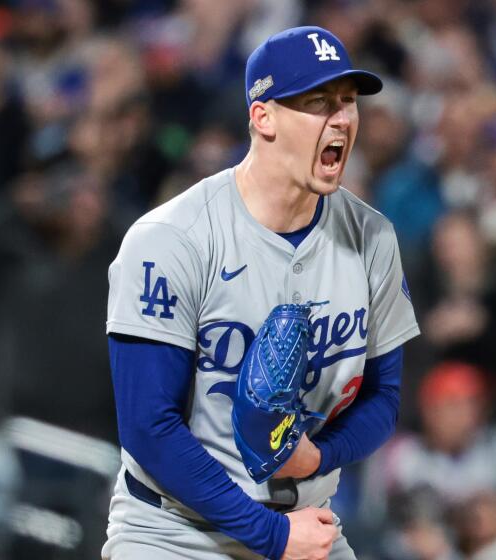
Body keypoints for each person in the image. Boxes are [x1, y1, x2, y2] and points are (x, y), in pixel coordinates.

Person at [101, 26, 420, 560]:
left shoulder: (373, 238)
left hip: (306, 525)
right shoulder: (171, 240)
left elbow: (384, 397)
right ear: (262, 116)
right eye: (317, 102)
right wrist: (270, 535)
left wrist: (319, 457)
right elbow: (148, 428)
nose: (341, 118)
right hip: (176, 532)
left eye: (347, 102)